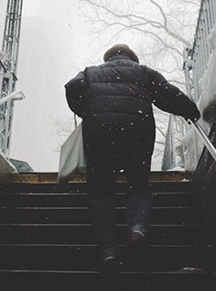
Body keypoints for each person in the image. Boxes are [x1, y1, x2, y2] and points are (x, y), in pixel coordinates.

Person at [65, 44, 200, 273]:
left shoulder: (90, 72)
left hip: (99, 133)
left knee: (101, 191)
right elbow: (167, 94)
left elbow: (72, 87)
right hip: (137, 131)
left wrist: (86, 110)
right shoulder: (144, 72)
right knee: (138, 185)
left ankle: (108, 251)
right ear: (132, 58)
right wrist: (191, 111)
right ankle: (137, 228)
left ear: (108, 58)